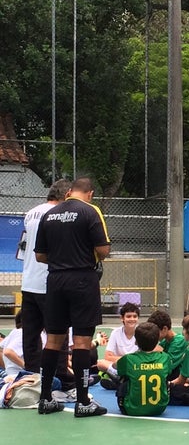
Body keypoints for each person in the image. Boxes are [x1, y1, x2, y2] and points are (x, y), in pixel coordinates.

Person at [34, 176, 111, 417]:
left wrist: (62, 257)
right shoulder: (91, 211)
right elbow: (103, 250)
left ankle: (45, 399)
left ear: (69, 192)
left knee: (53, 341)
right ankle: (82, 401)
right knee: (81, 342)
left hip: (55, 279)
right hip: (82, 280)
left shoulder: (50, 214)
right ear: (90, 193)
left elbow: (40, 256)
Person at [20, 179, 71, 374]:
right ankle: (60, 379)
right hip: (49, 282)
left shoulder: (30, 213)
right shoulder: (58, 215)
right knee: (58, 334)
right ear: (66, 195)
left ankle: (31, 378)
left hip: (28, 281)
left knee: (30, 336)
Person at [116, 322, 171, 417]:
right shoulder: (165, 358)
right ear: (157, 340)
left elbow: (116, 367)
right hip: (160, 408)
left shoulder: (128, 359)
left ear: (136, 341)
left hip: (131, 409)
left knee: (123, 376)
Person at [147, 309, 189, 380]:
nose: (153, 335)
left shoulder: (179, 341)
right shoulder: (164, 341)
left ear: (164, 329)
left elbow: (168, 365)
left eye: (155, 332)